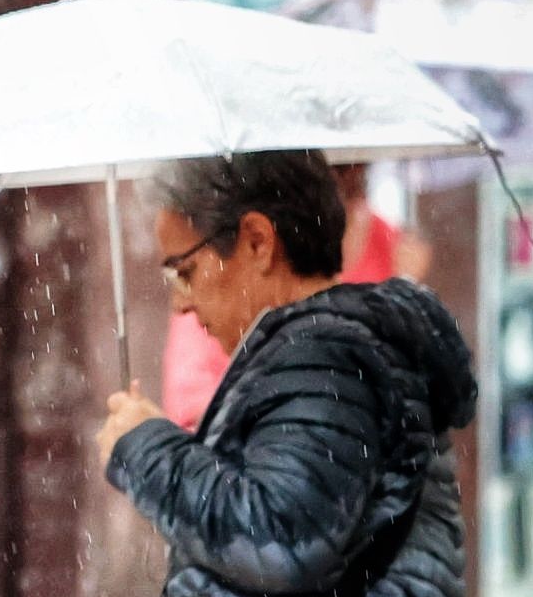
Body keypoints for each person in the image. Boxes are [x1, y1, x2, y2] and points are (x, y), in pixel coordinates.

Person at [95, 150, 486, 597]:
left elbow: (282, 538)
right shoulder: (317, 352)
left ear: (255, 240)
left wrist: (144, 447)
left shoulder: (324, 359)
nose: (181, 306)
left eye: (185, 271)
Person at [160, 163, 430, 429]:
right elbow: (189, 404)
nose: (181, 302)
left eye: (187, 272)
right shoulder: (224, 295)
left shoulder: (394, 247)